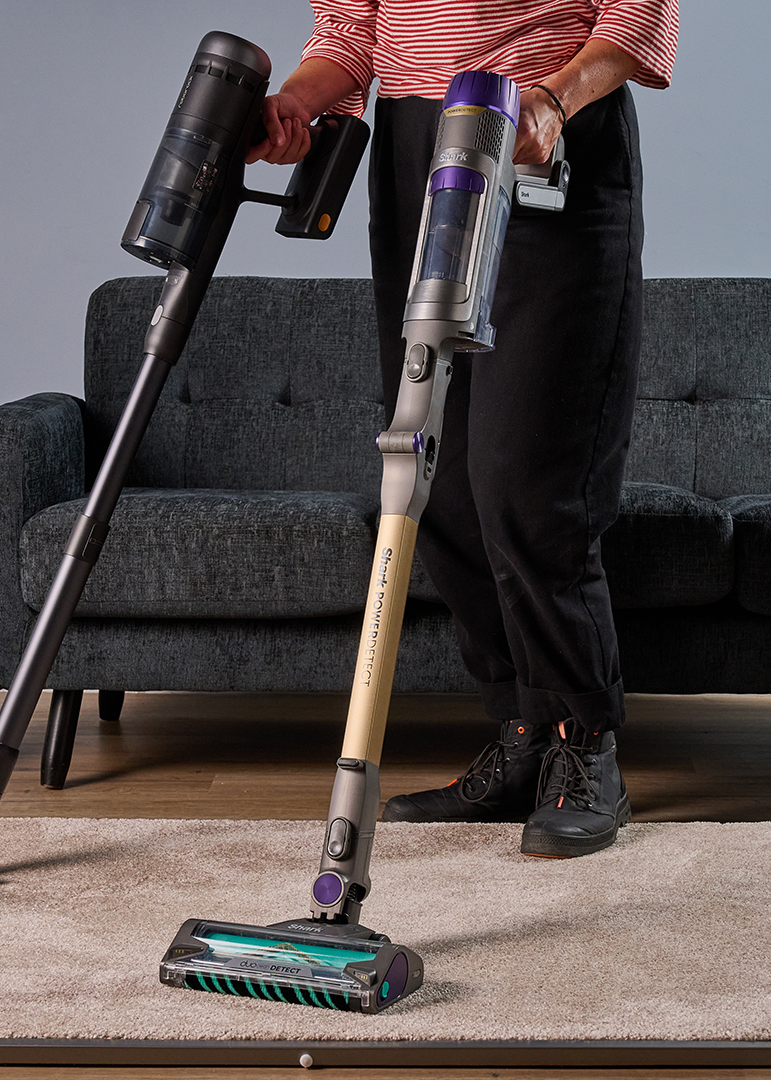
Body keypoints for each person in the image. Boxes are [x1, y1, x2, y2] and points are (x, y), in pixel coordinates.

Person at [248, 0, 678, 858]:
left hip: (539, 124)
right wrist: (296, 102)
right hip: (416, 144)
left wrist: (556, 99)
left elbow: (637, 11)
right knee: (433, 471)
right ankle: (525, 735)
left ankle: (585, 746)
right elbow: (351, 33)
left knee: (527, 479)